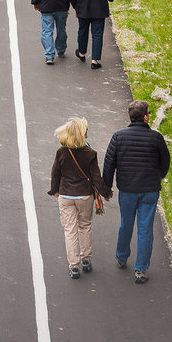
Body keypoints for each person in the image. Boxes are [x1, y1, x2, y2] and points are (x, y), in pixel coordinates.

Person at [102, 100, 171, 283]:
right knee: (145, 228)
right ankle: (140, 269)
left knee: (126, 223)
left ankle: (122, 256)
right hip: (149, 190)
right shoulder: (156, 138)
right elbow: (165, 162)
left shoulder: (118, 136)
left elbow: (109, 163)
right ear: (146, 117)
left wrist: (106, 187)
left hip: (127, 190)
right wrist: (159, 176)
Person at [48, 117, 111, 279]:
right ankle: (86, 260)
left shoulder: (61, 152)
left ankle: (74, 266)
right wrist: (106, 192)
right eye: (86, 130)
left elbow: (55, 173)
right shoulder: (90, 153)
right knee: (85, 226)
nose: (88, 132)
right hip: (84, 196)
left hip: (66, 195)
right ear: (81, 134)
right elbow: (96, 177)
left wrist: (55, 190)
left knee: (70, 230)